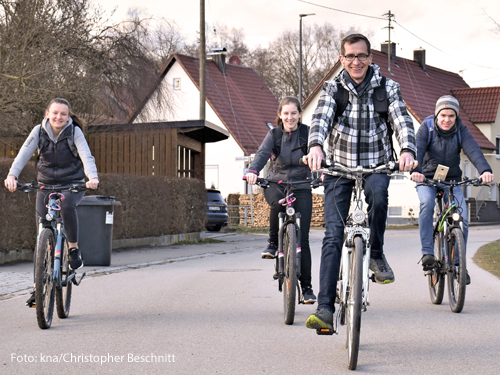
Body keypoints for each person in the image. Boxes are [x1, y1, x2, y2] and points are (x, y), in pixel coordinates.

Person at [303, 33, 417, 331]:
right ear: (342, 59)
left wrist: (406, 149)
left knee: (379, 196)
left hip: (376, 164)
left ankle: (376, 254)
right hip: (338, 168)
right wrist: (315, 146)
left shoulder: (387, 87)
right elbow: (320, 119)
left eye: (362, 56)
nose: (356, 61)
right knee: (333, 234)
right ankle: (325, 308)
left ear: (370, 58)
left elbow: (402, 120)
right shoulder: (332, 88)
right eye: (350, 56)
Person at [4, 98, 99, 306]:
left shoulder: (74, 132)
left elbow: (86, 156)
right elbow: (22, 155)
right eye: (55, 113)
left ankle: (73, 249)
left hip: (71, 185)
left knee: (66, 205)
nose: (59, 117)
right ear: (47, 113)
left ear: (68, 116)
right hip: (45, 186)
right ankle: (38, 289)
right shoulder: (38, 131)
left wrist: (92, 178)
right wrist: (12, 176)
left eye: (63, 114)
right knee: (41, 236)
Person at [410, 95, 494, 283]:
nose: (447, 120)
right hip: (427, 179)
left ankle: (458, 263)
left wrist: (485, 170)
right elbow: (418, 150)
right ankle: (427, 254)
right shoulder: (427, 128)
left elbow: (473, 150)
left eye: (451, 116)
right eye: (443, 115)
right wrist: (417, 171)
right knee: (427, 203)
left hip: (452, 181)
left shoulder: (461, 130)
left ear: (456, 117)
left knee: (461, 217)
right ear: (437, 115)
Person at [246, 96, 316, 304]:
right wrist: (253, 171)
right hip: (276, 183)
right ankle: (272, 243)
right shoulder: (274, 134)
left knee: (303, 240)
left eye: (294, 113)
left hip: (302, 184)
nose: (290, 117)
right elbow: (262, 154)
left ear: (300, 114)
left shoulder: (308, 133)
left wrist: (318, 170)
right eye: (286, 113)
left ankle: (307, 288)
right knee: (278, 203)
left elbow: (318, 154)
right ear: (280, 115)